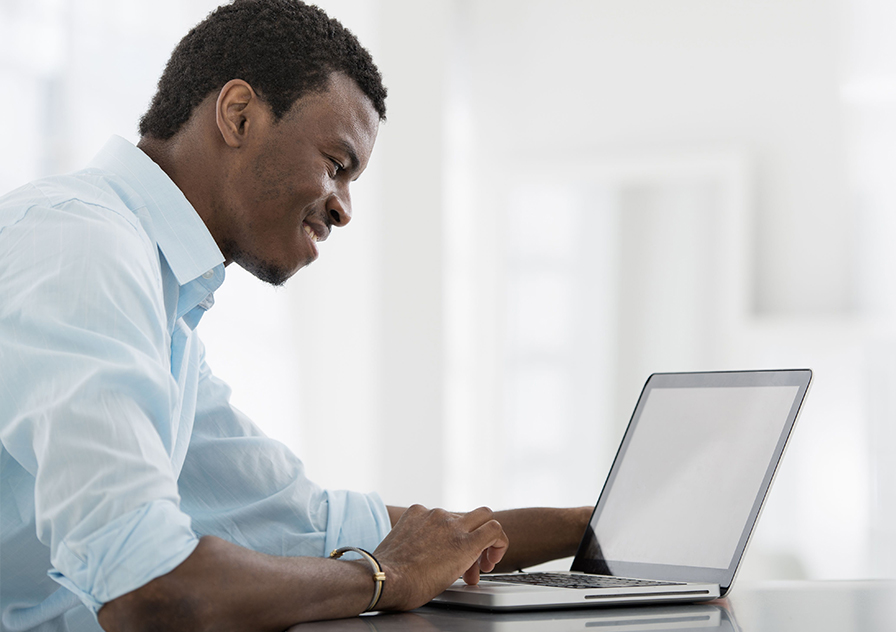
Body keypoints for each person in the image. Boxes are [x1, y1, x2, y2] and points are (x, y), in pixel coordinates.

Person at [0, 1, 591, 631]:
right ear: (239, 115)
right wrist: (381, 579)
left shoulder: (162, 304)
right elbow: (153, 592)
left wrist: (589, 526)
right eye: (337, 166)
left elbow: (307, 523)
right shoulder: (81, 248)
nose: (344, 210)